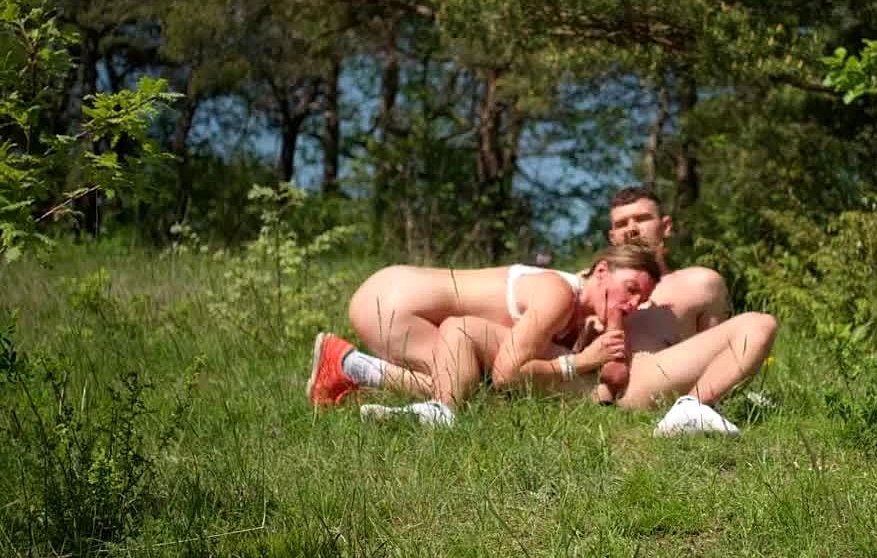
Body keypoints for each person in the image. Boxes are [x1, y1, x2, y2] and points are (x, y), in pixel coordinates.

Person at [306, 243, 661, 426]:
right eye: (630, 288)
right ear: (601, 271)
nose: (632, 304)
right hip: (395, 305)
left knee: (470, 378)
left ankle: (346, 364)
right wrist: (579, 362)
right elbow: (509, 373)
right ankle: (427, 408)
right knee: (477, 390)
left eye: (640, 300)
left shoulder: (571, 305)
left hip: (390, 291)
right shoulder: (558, 294)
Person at [595, 186, 778, 436]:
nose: (632, 229)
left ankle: (693, 407)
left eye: (642, 218)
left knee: (759, 325)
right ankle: (692, 410)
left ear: (666, 226)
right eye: (621, 224)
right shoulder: (592, 282)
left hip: (657, 379)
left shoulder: (698, 282)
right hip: (599, 388)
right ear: (612, 237)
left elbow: (721, 353)